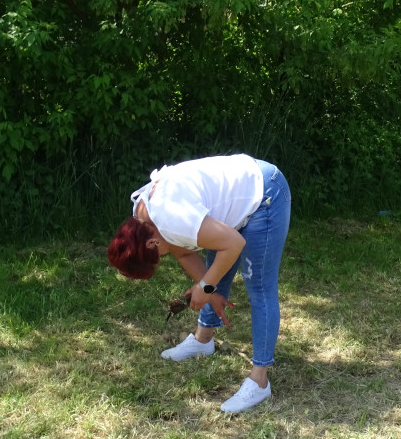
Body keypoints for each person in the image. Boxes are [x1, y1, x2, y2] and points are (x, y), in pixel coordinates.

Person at [107, 154, 291, 413]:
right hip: (237, 196)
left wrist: (205, 287)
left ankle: (260, 381)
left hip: (265, 194)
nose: (161, 259)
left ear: (151, 243)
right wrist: (211, 290)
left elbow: (233, 244)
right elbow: (183, 251)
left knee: (260, 287)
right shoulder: (141, 215)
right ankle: (203, 340)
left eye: (155, 258)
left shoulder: (171, 220)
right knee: (215, 270)